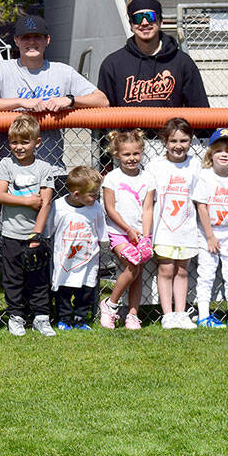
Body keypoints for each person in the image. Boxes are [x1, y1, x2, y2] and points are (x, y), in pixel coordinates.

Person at [0, 11, 107, 163]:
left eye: (37, 37)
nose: (31, 42)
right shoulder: (1, 69)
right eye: (26, 37)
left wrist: (69, 100)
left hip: (51, 167)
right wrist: (20, 102)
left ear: (47, 40)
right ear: (16, 40)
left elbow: (101, 100)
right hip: (9, 169)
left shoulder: (62, 71)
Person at [96, 0, 210, 112]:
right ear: (131, 25)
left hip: (169, 132)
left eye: (150, 16)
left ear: (160, 21)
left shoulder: (182, 62)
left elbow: (200, 110)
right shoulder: (113, 64)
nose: (144, 23)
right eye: (138, 18)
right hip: (128, 132)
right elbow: (104, 114)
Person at [0, 114, 58, 338]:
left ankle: (41, 316)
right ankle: (16, 315)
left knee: (38, 277)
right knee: (13, 278)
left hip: (35, 233)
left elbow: (46, 202)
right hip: (11, 233)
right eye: (14, 142)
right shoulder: (5, 164)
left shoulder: (43, 167)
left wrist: (37, 234)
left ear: (37, 143)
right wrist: (26, 201)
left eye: (24, 142)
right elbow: (0, 195)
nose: (18, 147)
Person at [145, 118, 199, 330]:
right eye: (173, 140)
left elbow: (199, 198)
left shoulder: (195, 165)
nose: (178, 145)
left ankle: (181, 312)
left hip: (186, 227)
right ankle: (167, 313)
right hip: (164, 228)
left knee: (183, 271)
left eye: (184, 140)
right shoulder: (155, 166)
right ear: (164, 141)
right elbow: (149, 200)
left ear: (191, 140)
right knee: (166, 269)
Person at [192, 128, 228, 328]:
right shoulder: (206, 176)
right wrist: (209, 237)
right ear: (211, 154)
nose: (224, 154)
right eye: (219, 150)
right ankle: (204, 316)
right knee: (206, 273)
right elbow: (202, 206)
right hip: (208, 232)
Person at [100, 129, 154, 330]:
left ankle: (132, 314)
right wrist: (129, 230)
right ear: (117, 155)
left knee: (138, 271)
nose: (132, 158)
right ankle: (110, 304)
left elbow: (148, 209)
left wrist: (146, 237)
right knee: (133, 263)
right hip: (119, 232)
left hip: (140, 233)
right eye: (126, 154)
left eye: (136, 154)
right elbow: (110, 208)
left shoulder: (148, 178)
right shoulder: (112, 178)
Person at [48, 166, 107, 330]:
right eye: (92, 194)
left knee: (86, 290)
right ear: (76, 194)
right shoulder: (59, 206)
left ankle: (80, 319)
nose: (96, 197)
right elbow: (50, 230)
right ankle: (64, 319)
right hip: (65, 261)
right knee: (64, 290)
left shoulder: (95, 207)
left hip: (88, 260)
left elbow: (101, 230)